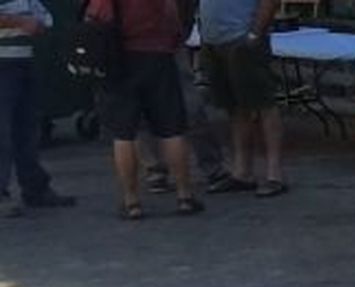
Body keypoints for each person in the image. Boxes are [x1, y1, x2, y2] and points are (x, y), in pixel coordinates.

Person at [90, 0, 204, 218]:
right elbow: (173, 17)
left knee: (124, 134)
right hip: (158, 55)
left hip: (120, 59)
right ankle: (184, 196)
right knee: (172, 130)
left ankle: (131, 201)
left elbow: (97, 16)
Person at [198, 0, 288, 197]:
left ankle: (274, 174)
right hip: (213, 40)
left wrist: (255, 33)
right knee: (234, 106)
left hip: (241, 37)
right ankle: (242, 172)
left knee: (264, 103)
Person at [0, 0, 76, 217]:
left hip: (24, 58)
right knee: (2, 132)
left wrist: (40, 22)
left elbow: (37, 11)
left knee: (27, 129)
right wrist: (20, 22)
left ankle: (35, 187)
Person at [139, 11, 228, 194]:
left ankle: (158, 170)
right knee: (183, 107)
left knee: (186, 107)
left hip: (155, 42)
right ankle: (210, 168)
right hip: (151, 42)